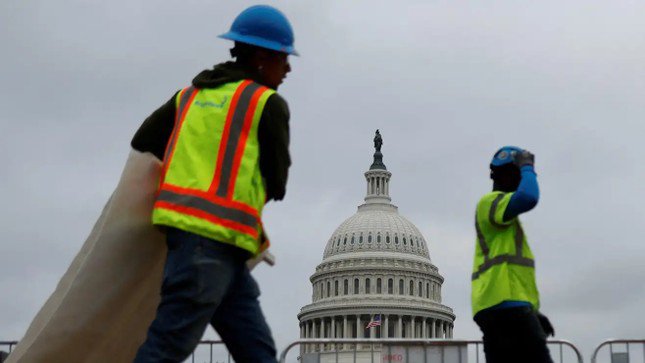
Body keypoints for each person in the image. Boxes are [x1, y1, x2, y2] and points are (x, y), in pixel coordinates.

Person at [130, 5, 297, 362]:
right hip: (209, 246)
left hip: (215, 246)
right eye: (283, 58)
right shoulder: (266, 103)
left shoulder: (189, 97)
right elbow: (278, 182)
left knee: (258, 352)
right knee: (167, 347)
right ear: (262, 56)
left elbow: (144, 140)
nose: (288, 68)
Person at [471, 146, 555, 363]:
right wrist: (528, 167)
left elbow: (512, 274)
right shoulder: (489, 203)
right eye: (518, 176)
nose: (521, 182)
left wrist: (534, 313)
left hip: (496, 307)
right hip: (506, 306)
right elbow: (528, 197)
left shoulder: (504, 220)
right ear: (509, 175)